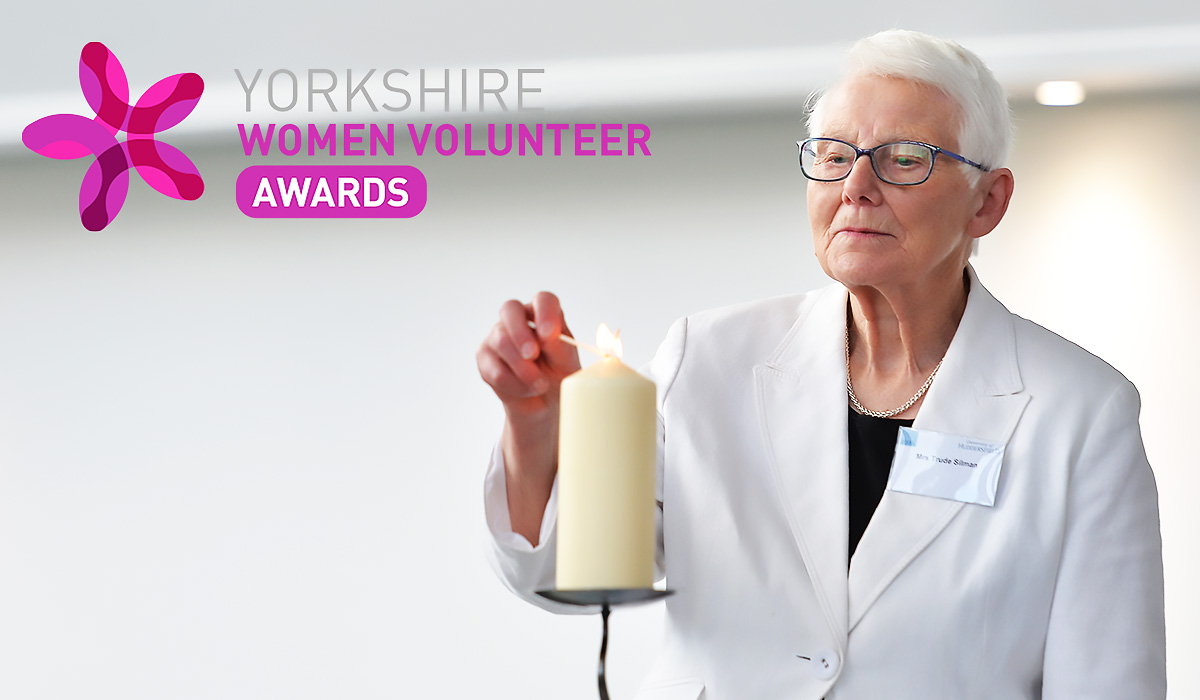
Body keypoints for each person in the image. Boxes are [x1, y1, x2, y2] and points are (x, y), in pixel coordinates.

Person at [476, 29, 1166, 700]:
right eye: (835, 156)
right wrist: (534, 427)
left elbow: (1108, 682)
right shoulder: (710, 359)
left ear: (988, 202)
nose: (856, 186)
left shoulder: (1081, 413)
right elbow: (559, 573)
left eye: (902, 158)